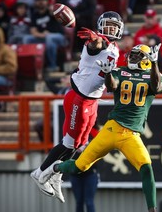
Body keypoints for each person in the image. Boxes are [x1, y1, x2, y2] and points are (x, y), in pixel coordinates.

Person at [38, 43, 162, 212]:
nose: (132, 57)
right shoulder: (120, 71)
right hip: (112, 128)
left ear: (147, 60)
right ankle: (55, 168)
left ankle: (152, 209)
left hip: (131, 135)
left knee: (146, 168)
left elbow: (157, 87)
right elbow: (113, 85)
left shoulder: (155, 75)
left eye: (137, 55)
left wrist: (155, 64)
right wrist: (107, 74)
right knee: (79, 167)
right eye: (132, 54)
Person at [30, 11, 124, 203]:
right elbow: (95, 45)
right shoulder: (99, 42)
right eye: (108, 25)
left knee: (80, 143)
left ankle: (57, 175)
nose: (110, 29)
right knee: (69, 143)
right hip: (79, 100)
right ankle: (40, 173)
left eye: (114, 26)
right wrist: (95, 40)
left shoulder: (114, 47)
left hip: (92, 100)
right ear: (100, 26)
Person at [23, 0, 67, 72]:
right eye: (39, 0)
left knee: (49, 38)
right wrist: (43, 34)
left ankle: (53, 66)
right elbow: (33, 31)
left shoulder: (51, 11)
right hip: (43, 37)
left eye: (43, 0)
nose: (41, 2)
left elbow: (59, 14)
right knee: (26, 38)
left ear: (47, 1)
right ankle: (30, 66)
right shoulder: (34, 15)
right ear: (35, 2)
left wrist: (52, 6)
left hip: (59, 36)